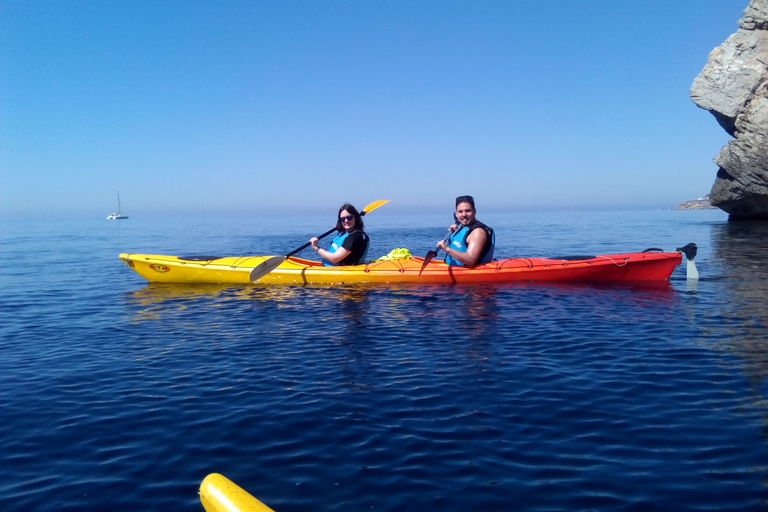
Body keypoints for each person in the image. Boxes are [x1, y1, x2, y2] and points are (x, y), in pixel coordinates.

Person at [437, 195, 495, 267]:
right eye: (460, 211)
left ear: (474, 211)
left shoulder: (478, 232)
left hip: (470, 274)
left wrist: (447, 249)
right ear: (456, 214)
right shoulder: (462, 226)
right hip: (453, 267)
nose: (464, 214)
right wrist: (456, 228)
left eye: (468, 211)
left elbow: (470, 260)